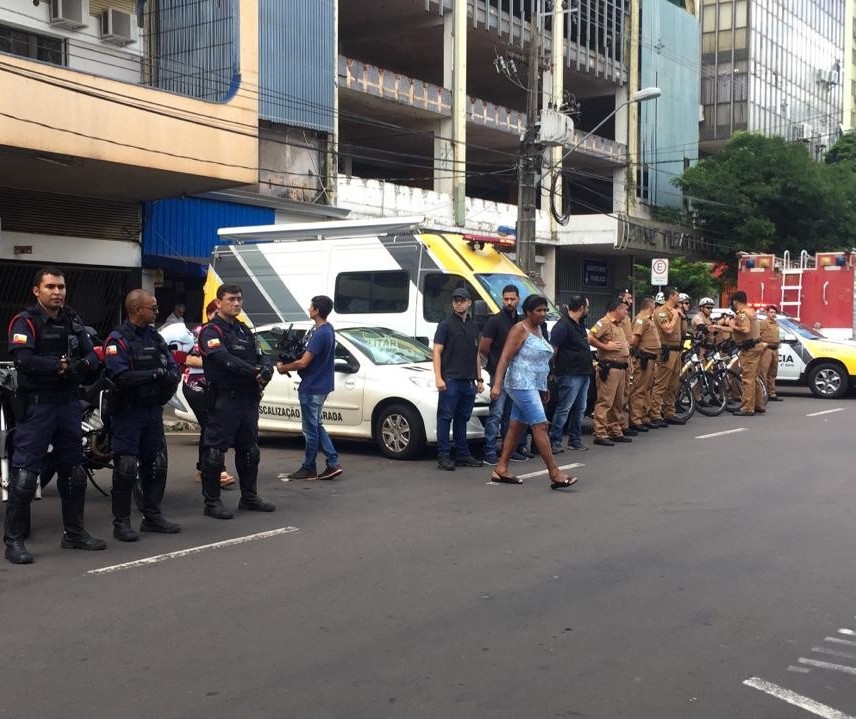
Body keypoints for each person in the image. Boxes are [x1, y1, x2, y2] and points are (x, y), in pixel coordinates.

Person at [4, 266, 106, 564]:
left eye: (61, 287)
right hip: (38, 407)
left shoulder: (72, 320)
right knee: (25, 475)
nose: (57, 292)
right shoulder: (25, 321)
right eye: (50, 287)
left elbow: (92, 355)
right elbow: (23, 359)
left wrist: (79, 367)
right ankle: (14, 540)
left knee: (73, 472)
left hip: (69, 405)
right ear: (37, 290)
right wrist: (58, 366)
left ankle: (74, 534)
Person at [103, 290, 182, 541]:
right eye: (153, 308)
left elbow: (171, 367)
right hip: (128, 413)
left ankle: (153, 516)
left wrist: (165, 376)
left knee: (156, 464)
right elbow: (121, 377)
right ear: (137, 309)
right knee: (126, 467)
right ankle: (122, 523)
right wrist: (155, 375)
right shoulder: (118, 339)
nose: (157, 311)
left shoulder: (155, 337)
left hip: (152, 411)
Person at [198, 284, 275, 519]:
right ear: (219, 303)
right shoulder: (211, 331)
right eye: (231, 299)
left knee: (250, 450)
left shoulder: (244, 331)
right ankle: (212, 503)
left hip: (248, 399)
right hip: (224, 399)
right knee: (215, 453)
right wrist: (253, 372)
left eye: (239, 299)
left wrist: (267, 370)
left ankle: (249, 497)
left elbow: (265, 353)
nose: (237, 303)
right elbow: (223, 359)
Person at [489, 295, 577, 489]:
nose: (543, 314)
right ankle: (554, 473)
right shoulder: (519, 329)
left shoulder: (539, 330)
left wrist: (543, 386)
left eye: (545, 310)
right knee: (541, 425)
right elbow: (504, 357)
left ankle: (501, 468)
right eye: (539, 310)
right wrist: (497, 384)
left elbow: (541, 362)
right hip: (520, 383)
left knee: (517, 426)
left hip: (534, 385)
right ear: (528, 312)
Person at [278, 295, 344, 481]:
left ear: (316, 310)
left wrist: (284, 368)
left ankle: (309, 467)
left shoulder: (321, 333)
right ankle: (332, 462)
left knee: (310, 430)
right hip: (321, 385)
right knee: (316, 425)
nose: (308, 309)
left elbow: (304, 363)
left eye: (310, 307)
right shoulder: (327, 329)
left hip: (312, 386)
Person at [182, 300, 235, 489]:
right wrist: (214, 361)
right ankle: (216, 470)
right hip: (196, 386)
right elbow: (187, 358)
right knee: (212, 426)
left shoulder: (229, 332)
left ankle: (202, 468)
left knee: (209, 427)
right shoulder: (200, 333)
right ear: (211, 313)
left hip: (215, 387)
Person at [432, 287, 484, 471]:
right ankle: (444, 455)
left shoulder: (473, 325)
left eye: (462, 300)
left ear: (469, 302)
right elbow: (436, 351)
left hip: (468, 381)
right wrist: (439, 377)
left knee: (463, 418)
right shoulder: (445, 325)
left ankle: (462, 454)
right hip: (451, 379)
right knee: (445, 417)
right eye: (455, 300)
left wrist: (479, 379)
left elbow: (476, 354)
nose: (458, 303)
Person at [478, 285, 528, 465]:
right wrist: (496, 363)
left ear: (518, 299)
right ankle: (490, 451)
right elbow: (484, 347)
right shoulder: (495, 321)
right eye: (506, 299)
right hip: (499, 374)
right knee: (496, 413)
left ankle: (509, 450)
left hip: (516, 374)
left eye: (512, 299)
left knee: (510, 415)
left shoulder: (521, 321)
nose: (509, 302)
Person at [548, 294, 592, 453]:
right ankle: (555, 439)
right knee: (564, 408)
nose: (588, 310)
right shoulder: (563, 326)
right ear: (581, 308)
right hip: (569, 374)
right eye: (587, 307)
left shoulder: (580, 324)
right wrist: (552, 371)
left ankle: (575, 439)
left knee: (580, 408)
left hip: (583, 373)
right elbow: (553, 350)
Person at [588, 299, 632, 446]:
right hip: (609, 367)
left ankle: (615, 430)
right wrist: (605, 346)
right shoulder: (604, 322)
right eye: (625, 309)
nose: (626, 312)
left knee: (618, 402)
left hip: (620, 368)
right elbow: (590, 337)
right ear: (617, 309)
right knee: (605, 401)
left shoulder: (618, 325)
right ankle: (600, 432)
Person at [726, 290, 767, 416]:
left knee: (747, 379)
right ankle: (758, 405)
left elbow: (745, 329)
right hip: (756, 346)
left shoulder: (742, 314)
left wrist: (732, 324)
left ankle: (747, 408)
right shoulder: (751, 311)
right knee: (754, 378)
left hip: (749, 349)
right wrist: (720, 327)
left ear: (735, 301)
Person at [649, 287, 686, 426]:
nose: (679, 298)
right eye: (677, 295)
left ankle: (670, 412)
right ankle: (655, 414)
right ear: (671, 296)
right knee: (661, 384)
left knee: (673, 384)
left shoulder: (676, 311)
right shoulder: (662, 312)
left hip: (676, 351)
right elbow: (668, 329)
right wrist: (676, 316)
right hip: (666, 351)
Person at [628, 296, 661, 432]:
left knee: (647, 389)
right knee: (639, 389)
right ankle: (636, 419)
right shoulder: (641, 319)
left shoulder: (648, 319)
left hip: (651, 359)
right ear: (651, 306)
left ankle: (644, 416)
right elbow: (635, 339)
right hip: (643, 359)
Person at [615, 289, 637, 438]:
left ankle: (624, 424)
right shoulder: (615, 318)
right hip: (617, 358)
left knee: (626, 392)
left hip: (628, 356)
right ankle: (616, 426)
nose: (631, 301)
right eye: (628, 298)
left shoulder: (627, 317)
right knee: (617, 396)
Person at [758, 305, 782, 401]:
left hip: (775, 349)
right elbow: (758, 335)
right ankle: (763, 393)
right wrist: (762, 344)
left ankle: (772, 393)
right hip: (767, 349)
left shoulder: (776, 323)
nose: (773, 314)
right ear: (767, 313)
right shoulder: (763, 323)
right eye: (771, 312)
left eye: (774, 312)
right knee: (763, 372)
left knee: (773, 373)